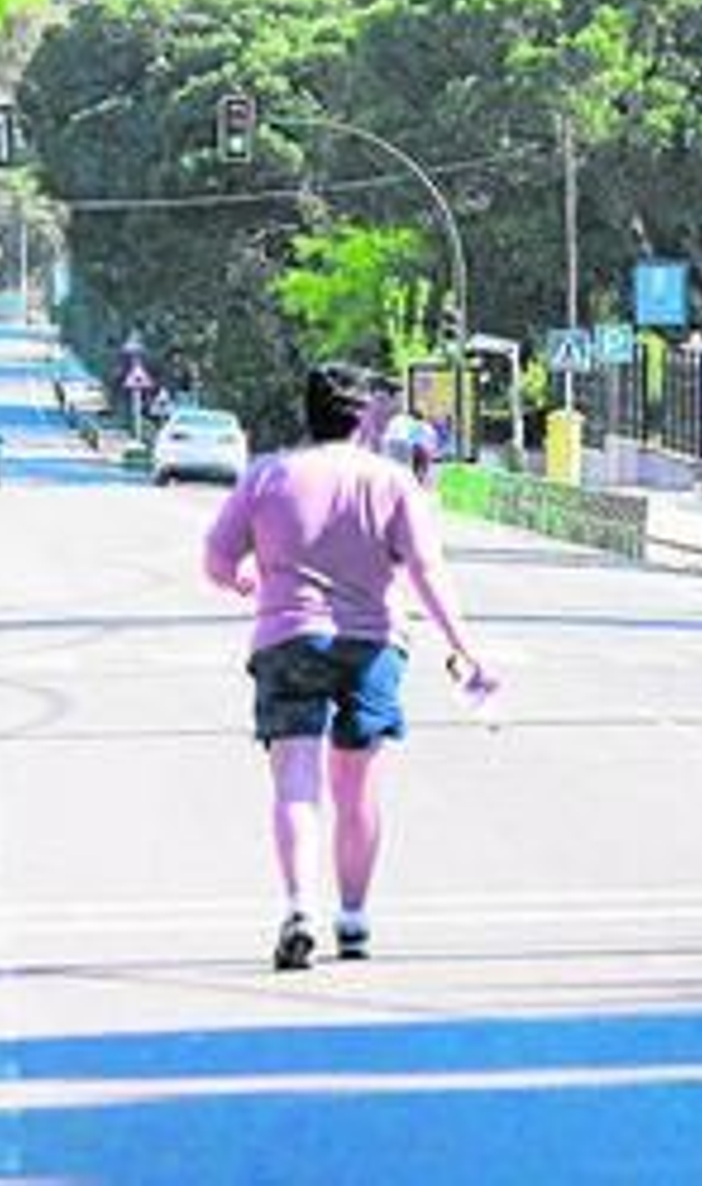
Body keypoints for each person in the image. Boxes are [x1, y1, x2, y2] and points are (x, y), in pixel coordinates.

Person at [203, 362, 493, 971]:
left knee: (296, 781)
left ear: (306, 413)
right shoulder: (391, 482)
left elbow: (217, 560)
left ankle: (300, 909)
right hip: (373, 645)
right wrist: (464, 646)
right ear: (363, 420)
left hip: (288, 639)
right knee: (357, 787)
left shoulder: (267, 476)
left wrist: (242, 581)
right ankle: (354, 918)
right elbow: (426, 571)